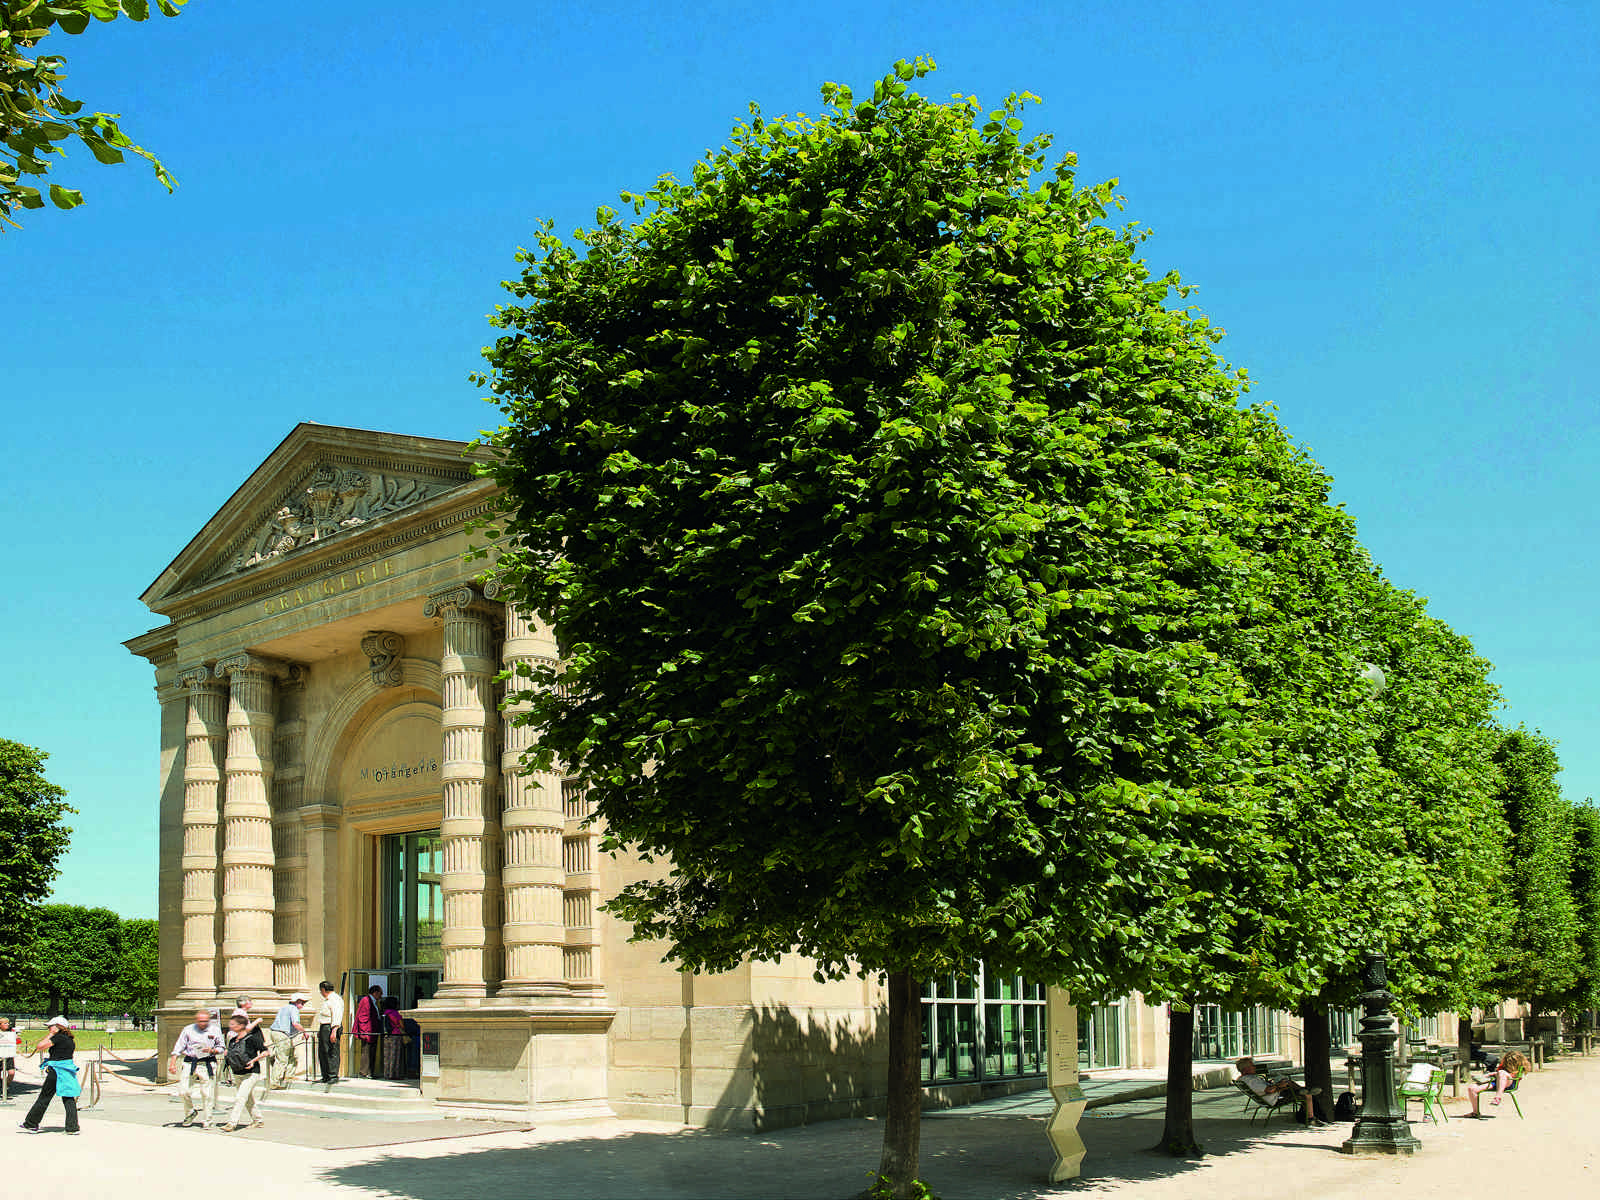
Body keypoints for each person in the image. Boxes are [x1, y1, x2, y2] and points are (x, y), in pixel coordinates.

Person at [20, 1017, 79, 1135]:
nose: (48, 1028)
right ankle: (72, 1127)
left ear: (57, 1026)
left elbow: (40, 1046)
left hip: (56, 1071)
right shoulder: (69, 1039)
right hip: (67, 1070)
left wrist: (50, 1034)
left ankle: (31, 1123)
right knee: (68, 1097)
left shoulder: (58, 1037)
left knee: (44, 1097)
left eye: (50, 1026)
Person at [167, 1008, 225, 1128]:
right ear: (196, 1020)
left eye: (205, 1021)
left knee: (207, 1093)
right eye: (200, 1021)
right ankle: (190, 1112)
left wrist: (212, 1050)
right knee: (183, 1091)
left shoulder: (215, 1030)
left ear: (209, 1020)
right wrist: (172, 1063)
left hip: (207, 1062)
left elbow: (222, 1047)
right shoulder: (188, 1029)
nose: (203, 1023)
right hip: (190, 1061)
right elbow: (178, 1047)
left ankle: (208, 1119)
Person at [1236, 1056, 1322, 1125]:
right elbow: (1269, 1090)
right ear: (1245, 1069)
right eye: (1252, 1065)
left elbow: (1263, 1089)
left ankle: (1303, 1090)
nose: (1254, 1067)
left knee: (1287, 1081)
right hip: (1273, 1098)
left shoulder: (1246, 1079)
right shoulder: (1251, 1080)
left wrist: (1274, 1084)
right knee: (1307, 1095)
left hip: (1270, 1096)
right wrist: (1278, 1085)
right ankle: (1310, 1118)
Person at [219, 1013, 269, 1132]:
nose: (230, 1026)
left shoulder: (252, 1039)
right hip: (237, 1072)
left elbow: (266, 1052)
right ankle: (258, 1120)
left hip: (251, 1073)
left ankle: (232, 1123)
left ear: (241, 1026)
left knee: (240, 1097)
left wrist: (254, 1060)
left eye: (233, 1024)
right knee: (248, 1098)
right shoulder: (232, 1040)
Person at [1467, 1049, 1529, 1117]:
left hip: (1510, 1083)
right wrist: (1488, 1075)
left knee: (1502, 1073)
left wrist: (1498, 1074)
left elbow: (1512, 1075)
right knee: (1472, 1088)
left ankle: (1498, 1097)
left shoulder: (1520, 1068)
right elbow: (1498, 1073)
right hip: (1496, 1083)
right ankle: (1475, 1112)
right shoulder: (1503, 1066)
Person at [266, 994, 308, 1089]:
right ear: (296, 1001)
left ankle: (289, 1075)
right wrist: (304, 1032)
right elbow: (295, 1023)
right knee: (282, 1058)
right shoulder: (294, 1009)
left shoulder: (284, 1008)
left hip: (277, 1033)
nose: (303, 1005)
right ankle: (274, 1082)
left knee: (291, 1055)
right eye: (302, 1002)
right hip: (282, 1034)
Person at [313, 980, 344, 1083]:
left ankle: (333, 1075)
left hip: (331, 1027)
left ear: (323, 989)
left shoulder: (335, 999)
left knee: (331, 1051)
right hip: (324, 1027)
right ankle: (325, 1075)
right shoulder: (327, 1000)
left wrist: (334, 1030)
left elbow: (336, 1015)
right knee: (323, 1052)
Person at [352, 985, 384, 1079]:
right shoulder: (366, 1000)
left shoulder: (374, 1002)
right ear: (375, 992)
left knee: (372, 1052)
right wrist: (364, 1032)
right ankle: (363, 1072)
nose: (381, 996)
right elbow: (363, 1017)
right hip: (368, 1031)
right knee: (366, 1052)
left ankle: (370, 1072)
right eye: (380, 993)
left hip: (373, 1031)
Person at [380, 998, 407, 1080]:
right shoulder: (395, 1013)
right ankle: (394, 1074)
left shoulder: (384, 1013)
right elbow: (402, 1026)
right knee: (395, 1055)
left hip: (386, 1035)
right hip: (396, 1035)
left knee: (387, 1055)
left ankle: (386, 1073)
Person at [0, 1017, 18, 1094]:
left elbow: (18, 1041)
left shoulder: (11, 1031)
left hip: (8, 1054)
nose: (7, 1025)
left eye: (8, 1023)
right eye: (5, 1023)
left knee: (11, 1073)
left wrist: (17, 1038)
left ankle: (5, 1087)